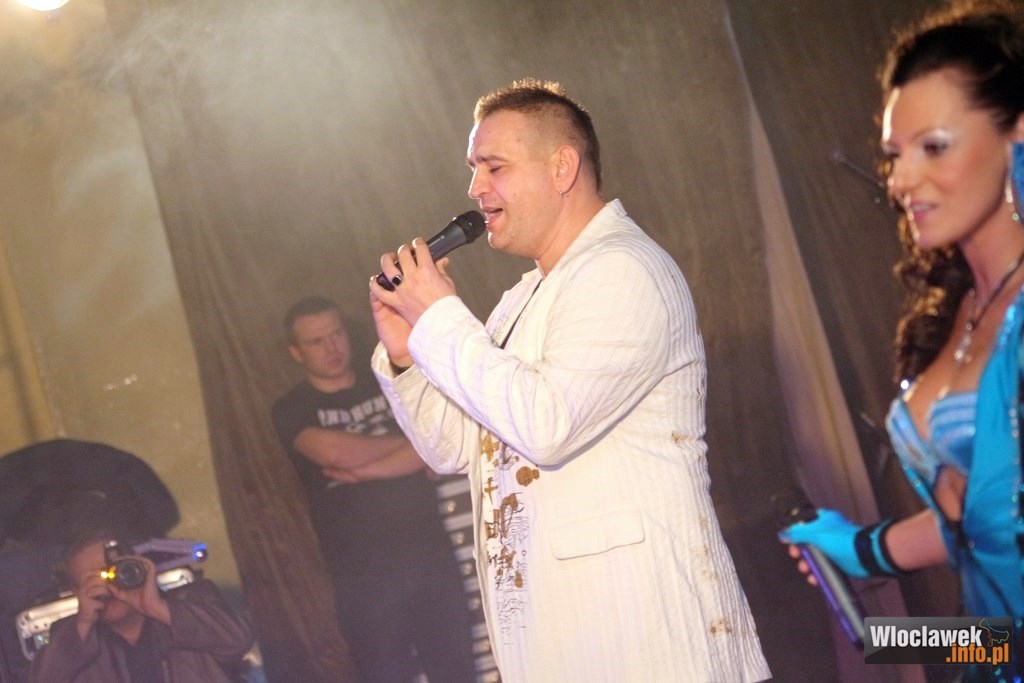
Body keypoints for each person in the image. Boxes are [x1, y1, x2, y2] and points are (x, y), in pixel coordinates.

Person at [368, 79, 770, 682]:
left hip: (649, 650)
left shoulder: (623, 269)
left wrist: (441, 316)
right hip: (563, 649)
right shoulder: (524, 297)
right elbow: (452, 448)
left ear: (562, 167)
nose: (475, 189)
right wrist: (408, 355)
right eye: (474, 169)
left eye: (494, 167)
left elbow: (546, 425)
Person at [779, 0, 1024, 678]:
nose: (901, 179)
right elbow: (977, 530)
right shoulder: (955, 312)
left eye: (933, 146)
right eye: (893, 155)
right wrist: (865, 554)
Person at [271, 296, 476, 683]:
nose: (332, 347)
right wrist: (411, 448)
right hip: (362, 576)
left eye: (336, 334)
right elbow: (333, 452)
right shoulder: (292, 408)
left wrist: (367, 470)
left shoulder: (389, 380)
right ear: (296, 352)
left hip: (429, 555)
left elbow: (439, 442)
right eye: (316, 341)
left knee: (456, 671)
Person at [28, 534, 253, 683]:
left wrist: (156, 607)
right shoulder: (72, 638)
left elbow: (239, 638)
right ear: (76, 591)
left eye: (114, 572)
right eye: (92, 580)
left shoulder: (192, 602)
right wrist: (83, 623)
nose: (107, 584)